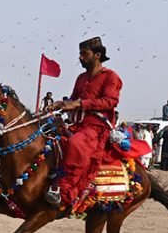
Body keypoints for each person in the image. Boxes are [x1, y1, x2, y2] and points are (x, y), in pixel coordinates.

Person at [45, 36, 122, 207]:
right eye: (80, 54)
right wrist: (60, 104)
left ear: (97, 55)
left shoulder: (111, 77)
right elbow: (73, 99)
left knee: (75, 143)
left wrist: (79, 103)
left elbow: (110, 101)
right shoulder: (81, 77)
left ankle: (65, 193)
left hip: (97, 128)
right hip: (76, 123)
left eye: (84, 54)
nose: (80, 57)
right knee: (46, 137)